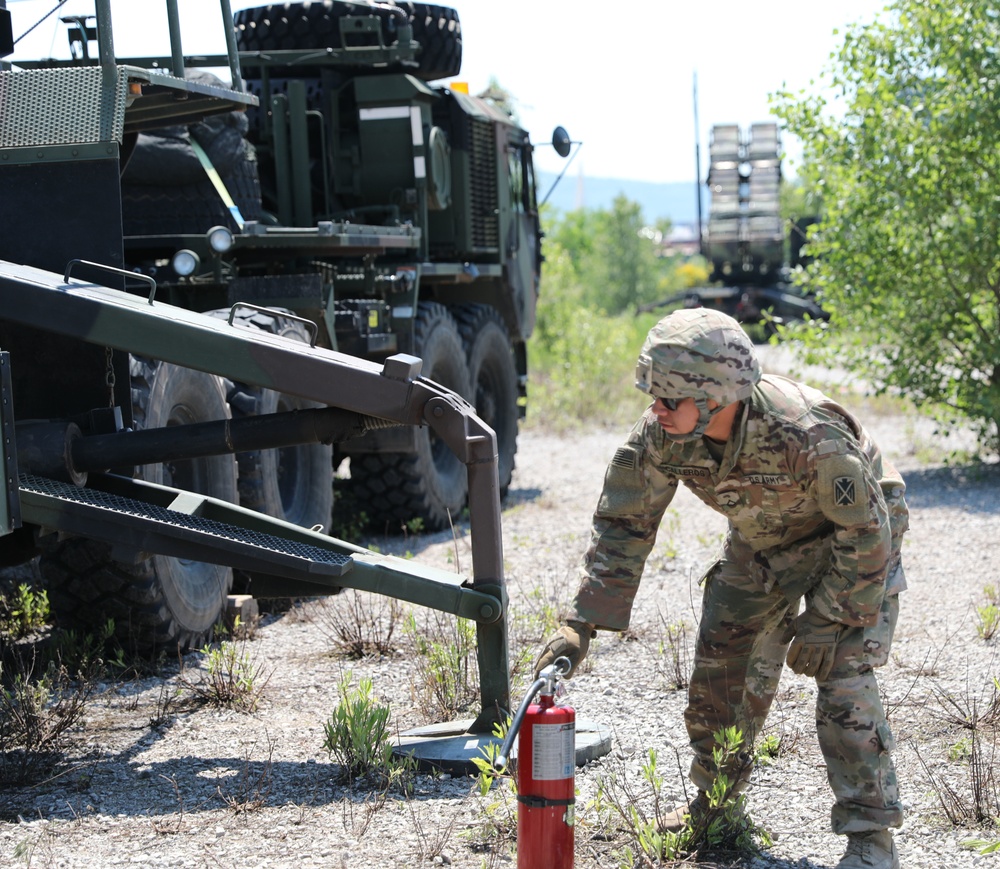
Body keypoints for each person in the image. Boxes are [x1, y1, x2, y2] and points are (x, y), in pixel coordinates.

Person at [535, 308, 907, 869]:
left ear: (716, 396)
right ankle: (715, 806)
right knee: (721, 671)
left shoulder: (806, 433)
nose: (655, 409)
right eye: (653, 395)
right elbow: (625, 523)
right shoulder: (661, 434)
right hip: (762, 545)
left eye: (669, 399)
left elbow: (869, 527)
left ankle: (871, 838)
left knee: (844, 680)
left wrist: (829, 619)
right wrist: (582, 623)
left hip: (851, 548)